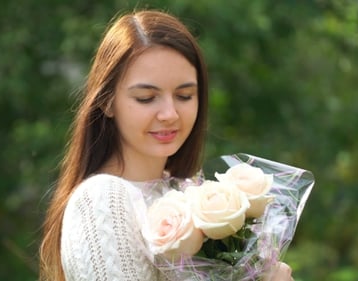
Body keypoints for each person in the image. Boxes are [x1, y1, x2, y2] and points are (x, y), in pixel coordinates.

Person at [39, 10, 294, 281]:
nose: (169, 114)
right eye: (146, 98)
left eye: (184, 96)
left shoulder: (184, 193)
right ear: (108, 102)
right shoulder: (102, 199)